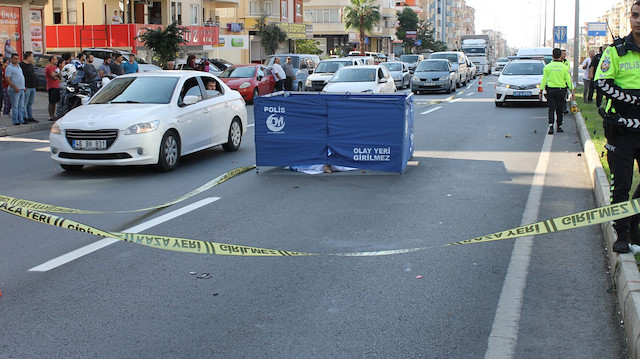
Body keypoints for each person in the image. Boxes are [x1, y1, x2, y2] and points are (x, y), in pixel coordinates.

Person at [594, 1, 640, 253]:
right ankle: (622, 233)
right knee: (621, 184)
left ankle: (633, 221)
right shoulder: (616, 51)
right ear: (629, 18)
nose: (637, 20)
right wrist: (634, 99)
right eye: (634, 15)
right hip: (622, 128)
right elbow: (602, 83)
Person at [539, 48, 574, 135]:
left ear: (552, 55)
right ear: (561, 56)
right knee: (560, 109)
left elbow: (544, 80)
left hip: (551, 90)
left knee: (551, 109)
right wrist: (572, 91)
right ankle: (559, 126)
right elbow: (568, 80)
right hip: (561, 90)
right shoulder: (565, 67)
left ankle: (551, 125)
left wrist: (541, 90)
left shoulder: (547, 67)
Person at [5, 53, 26, 126]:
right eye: (15, 59)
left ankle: (21, 119)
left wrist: (23, 87)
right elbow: (7, 79)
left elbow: (21, 77)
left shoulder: (18, 66)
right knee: (15, 106)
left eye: (18, 58)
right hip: (14, 90)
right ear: (11, 59)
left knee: (21, 105)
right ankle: (15, 121)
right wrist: (14, 87)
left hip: (21, 89)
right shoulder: (9, 68)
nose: (17, 60)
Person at [19, 51, 37, 123]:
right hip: (27, 87)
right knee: (24, 103)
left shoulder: (31, 65)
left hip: (33, 86)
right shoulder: (21, 65)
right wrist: (24, 86)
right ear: (28, 57)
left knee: (30, 103)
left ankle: (30, 116)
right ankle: (24, 117)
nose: (33, 58)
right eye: (32, 56)